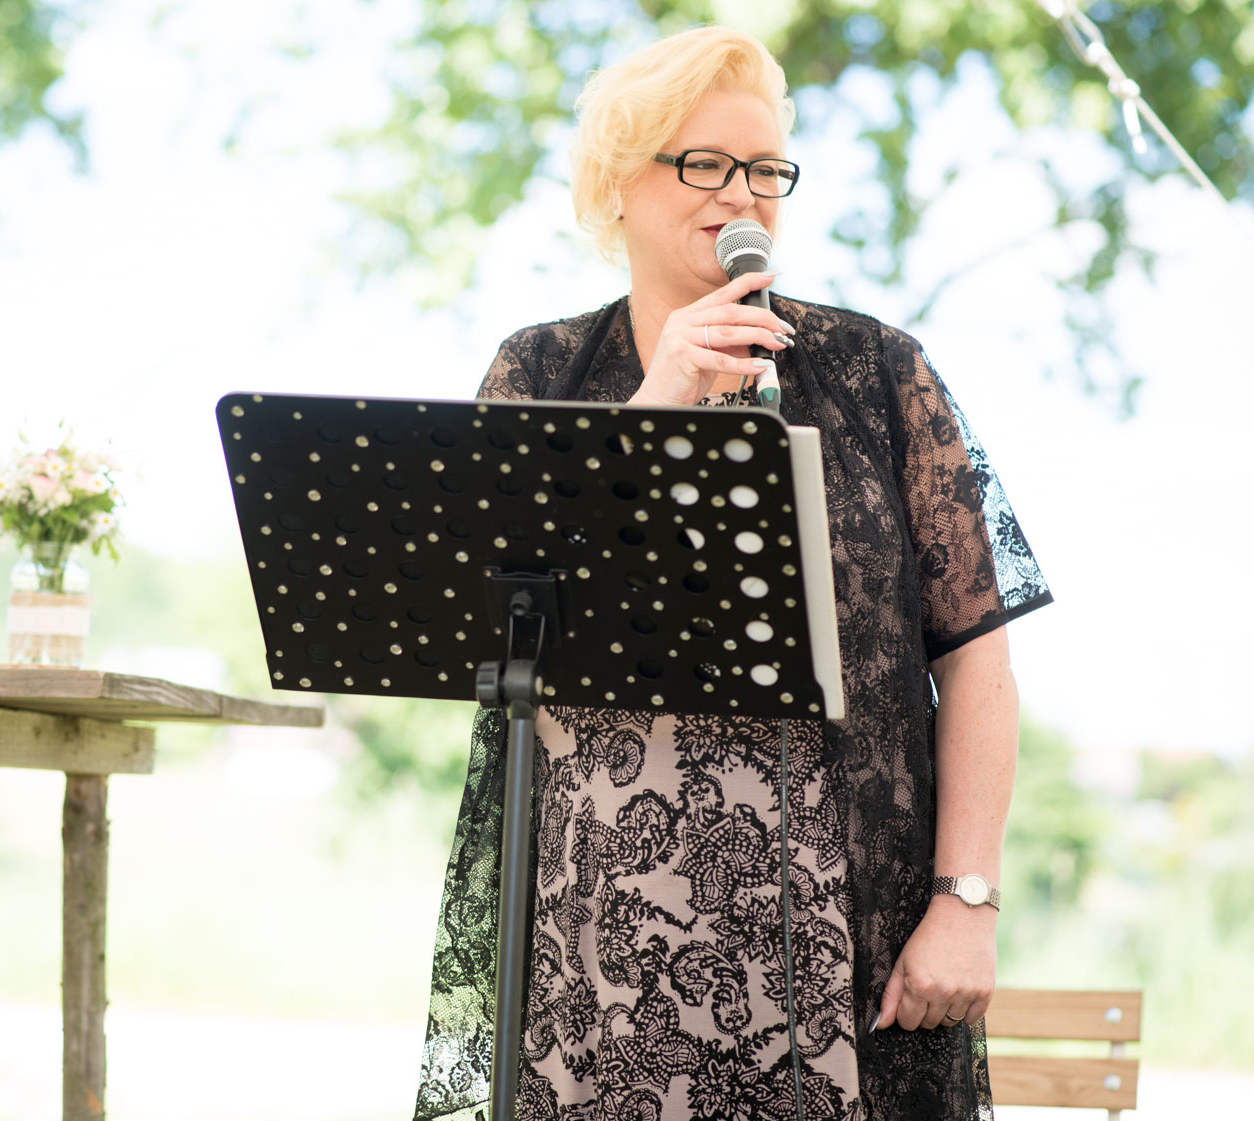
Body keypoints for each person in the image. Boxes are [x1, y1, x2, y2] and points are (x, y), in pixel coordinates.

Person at [412, 26, 1052, 1121]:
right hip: (601, 960)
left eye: (765, 170)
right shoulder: (543, 372)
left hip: (862, 945)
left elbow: (980, 665)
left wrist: (967, 900)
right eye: (702, 162)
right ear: (618, 186)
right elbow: (496, 629)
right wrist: (655, 402)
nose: (741, 195)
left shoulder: (875, 373)